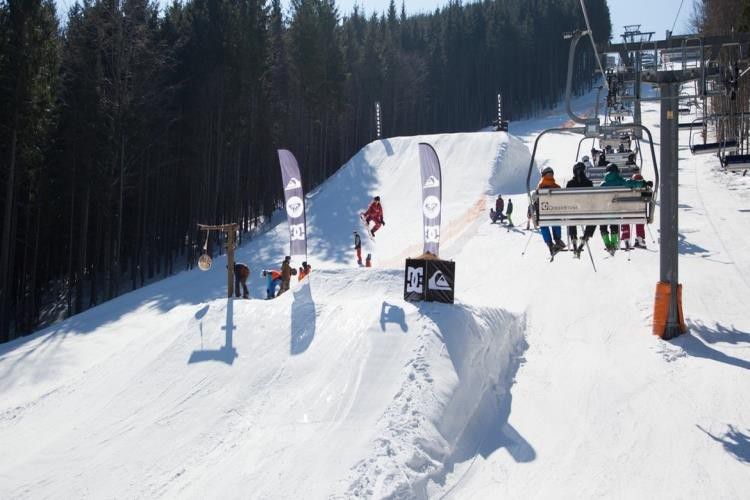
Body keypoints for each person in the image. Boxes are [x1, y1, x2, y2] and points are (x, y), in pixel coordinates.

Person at [599, 163, 647, 253]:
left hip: (605, 210)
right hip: (617, 211)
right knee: (614, 221)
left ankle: (607, 243)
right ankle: (613, 244)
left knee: (604, 223)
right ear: (617, 172)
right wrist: (643, 183)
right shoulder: (621, 181)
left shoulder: (603, 184)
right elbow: (632, 183)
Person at [566, 162, 597, 258]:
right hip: (586, 212)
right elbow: (592, 199)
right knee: (594, 219)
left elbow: (566, 199)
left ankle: (573, 238)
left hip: (573, 211)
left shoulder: (570, 183)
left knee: (570, 217)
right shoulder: (589, 183)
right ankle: (585, 237)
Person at [537, 166, 566, 256]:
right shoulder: (557, 187)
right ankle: (558, 240)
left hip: (544, 215)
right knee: (555, 218)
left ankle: (550, 245)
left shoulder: (540, 187)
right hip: (555, 215)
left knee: (543, 223)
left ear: (543, 175)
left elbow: (536, 201)